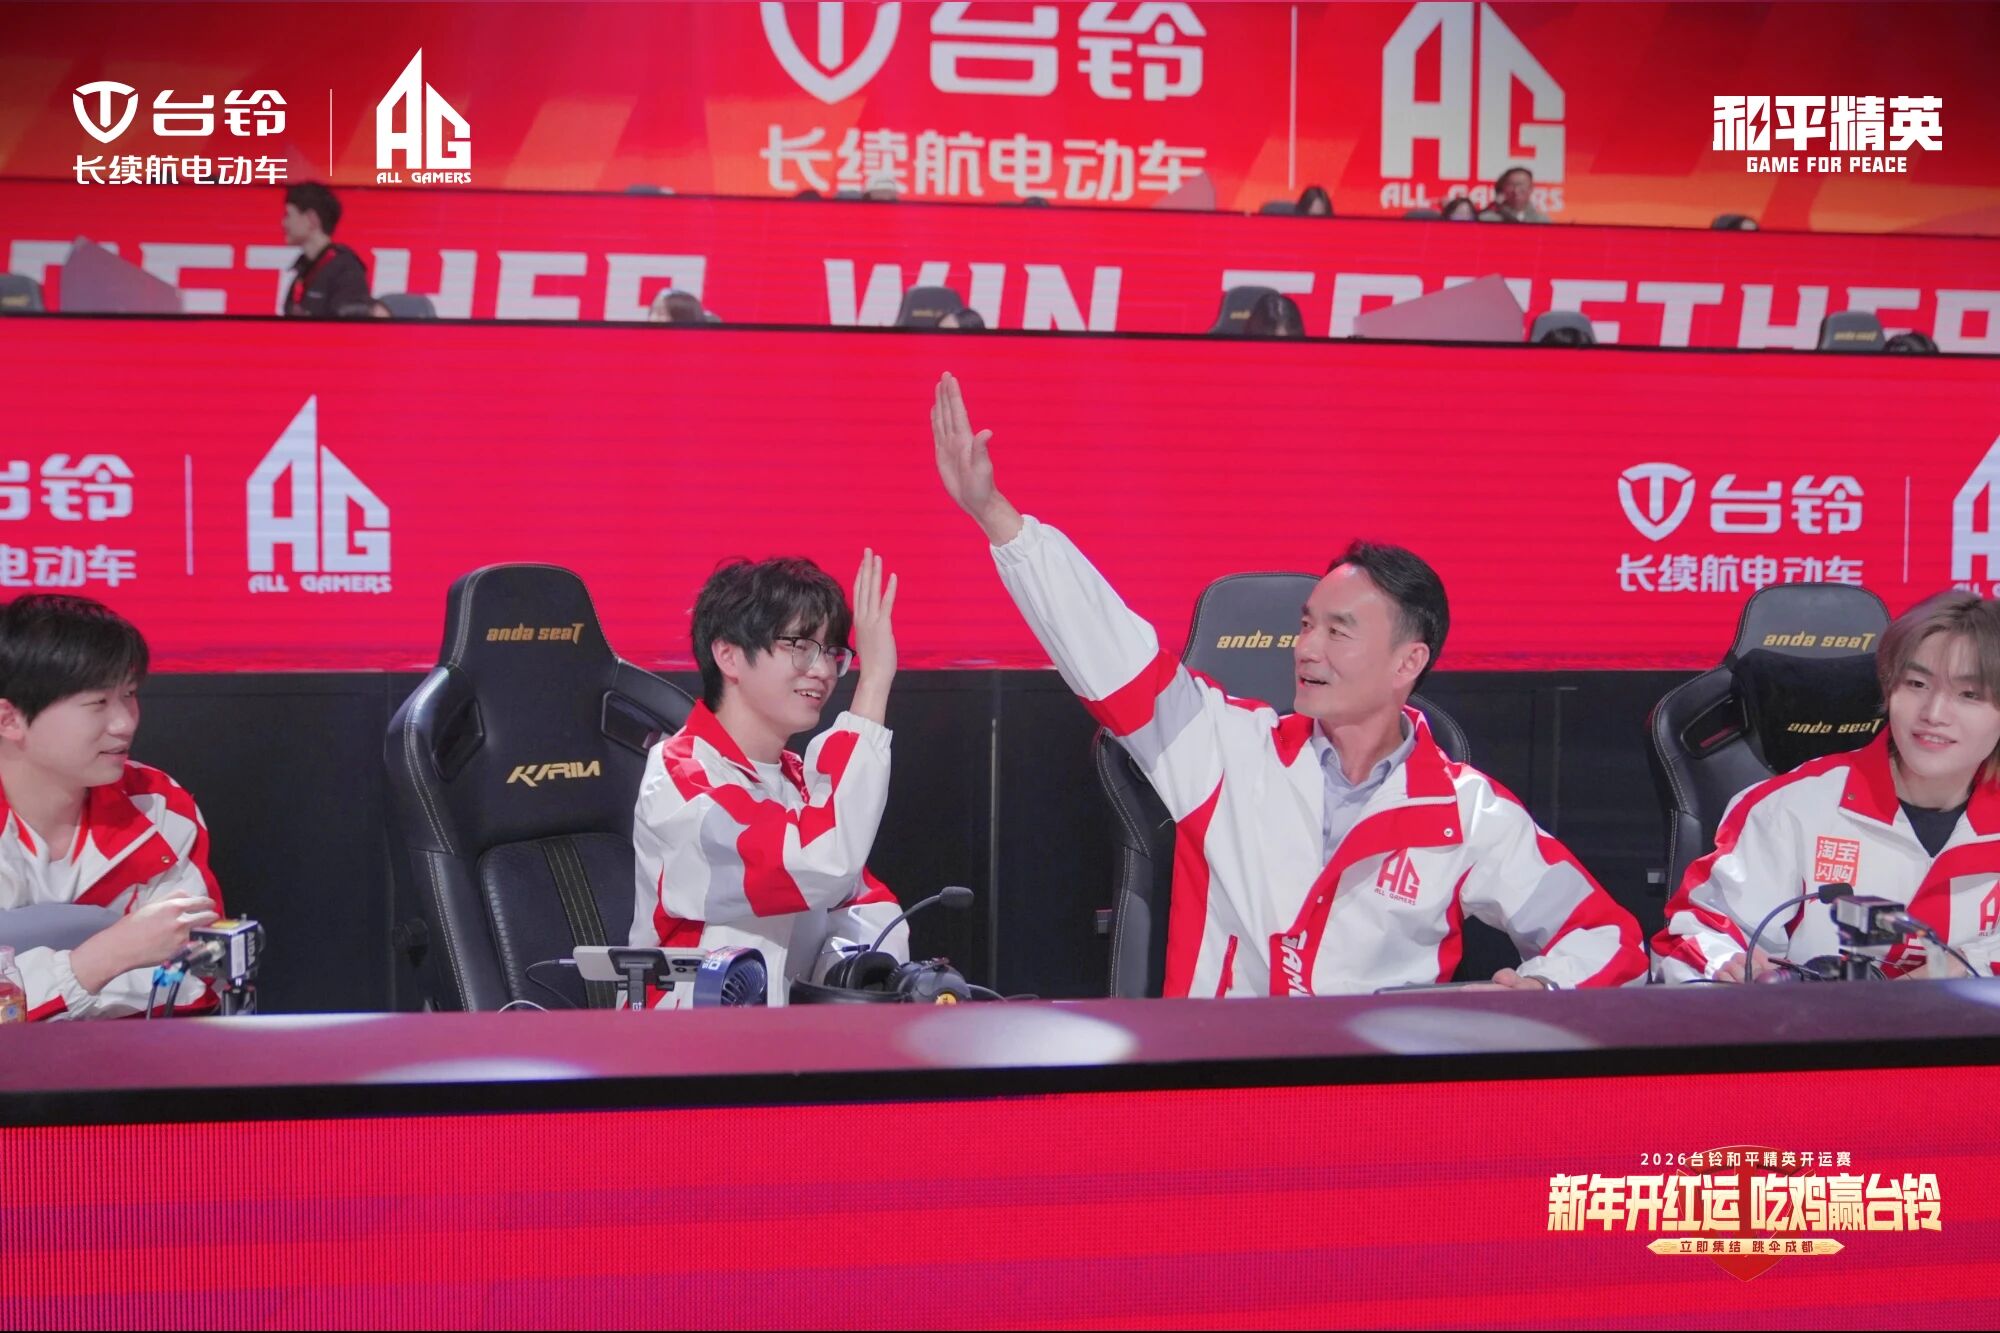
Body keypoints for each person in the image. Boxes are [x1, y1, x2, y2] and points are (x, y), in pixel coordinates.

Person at [928, 374, 1646, 995]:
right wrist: (997, 517)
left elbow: (1609, 939)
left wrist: (1542, 989)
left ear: (1407, 663)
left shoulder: (1469, 812)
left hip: (1377, 1094)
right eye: (1306, 625)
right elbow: (1107, 648)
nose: (1305, 648)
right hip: (1222, 1083)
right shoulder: (1224, 748)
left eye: (1338, 631)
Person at [1655, 591, 2000, 982]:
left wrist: (1958, 966)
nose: (1934, 714)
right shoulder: (1788, 808)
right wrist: (1727, 967)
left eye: (1969, 694)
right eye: (1917, 684)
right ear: (1889, 689)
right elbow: (1699, 937)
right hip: (1809, 1021)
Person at [631, 552, 907, 1004]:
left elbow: (866, 904)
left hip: (788, 1035)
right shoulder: (682, 777)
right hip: (688, 1035)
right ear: (729, 655)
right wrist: (874, 682)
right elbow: (816, 862)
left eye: (831, 651)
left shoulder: (798, 782)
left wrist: (853, 980)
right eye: (800, 646)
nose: (822, 670)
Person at [0, 596, 221, 1020]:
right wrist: (105, 957)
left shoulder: (159, 805)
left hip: (132, 1056)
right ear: (9, 719)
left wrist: (26, 985)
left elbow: (197, 980)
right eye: (98, 703)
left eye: (130, 695)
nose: (125, 723)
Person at [279, 182, 371, 318]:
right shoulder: (303, 269)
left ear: (311, 219)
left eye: (289, 215)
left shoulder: (346, 268)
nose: (284, 223)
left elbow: (350, 324)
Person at [1478, 167, 1550, 223]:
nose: (1516, 190)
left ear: (1531, 188)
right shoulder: (1488, 220)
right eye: (1511, 185)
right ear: (1503, 188)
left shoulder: (1542, 221)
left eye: (1521, 185)